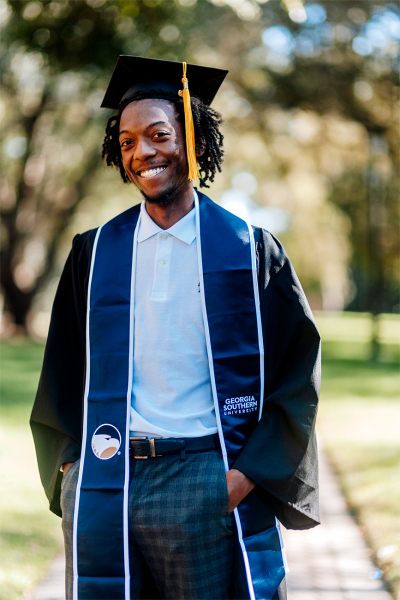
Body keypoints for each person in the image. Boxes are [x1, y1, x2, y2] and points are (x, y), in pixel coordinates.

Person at [31, 56, 321, 600]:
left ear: (196, 141)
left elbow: (297, 374)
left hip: (203, 479)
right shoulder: (94, 253)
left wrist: (242, 478)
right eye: (127, 142)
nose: (142, 152)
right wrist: (71, 469)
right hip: (106, 477)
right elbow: (62, 371)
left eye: (159, 134)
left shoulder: (250, 251)